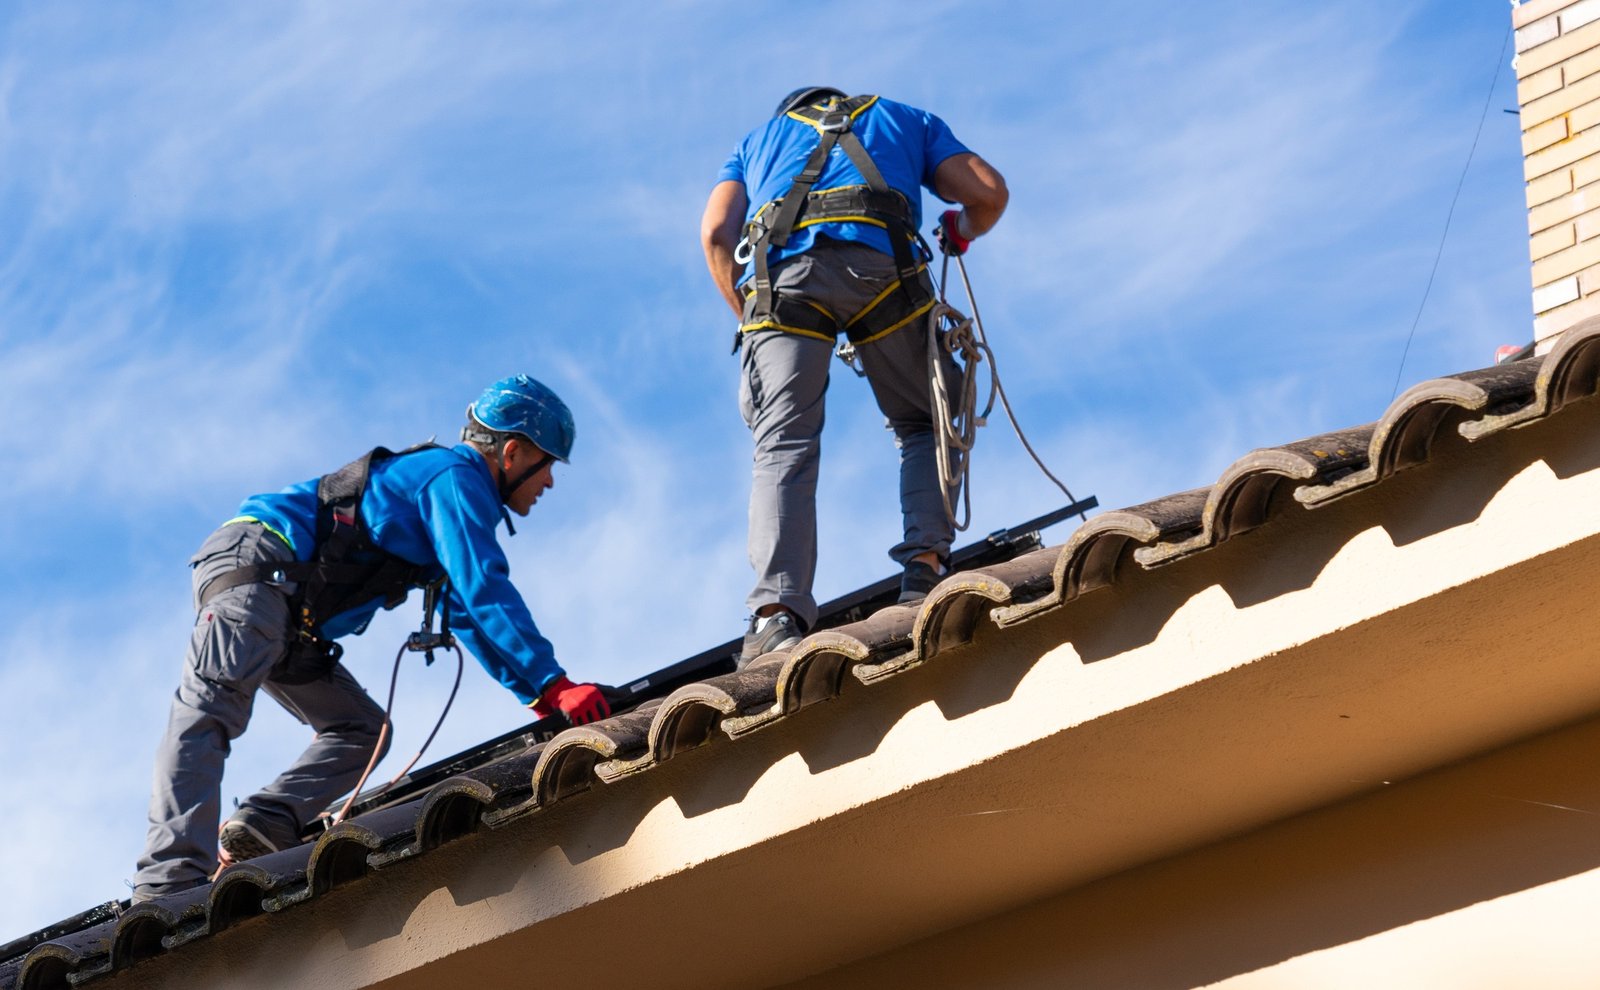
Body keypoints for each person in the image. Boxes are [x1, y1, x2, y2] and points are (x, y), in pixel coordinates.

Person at [132, 375, 610, 901]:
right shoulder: (454, 477)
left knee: (362, 731)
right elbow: (482, 584)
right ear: (514, 452)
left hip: (290, 612)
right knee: (208, 712)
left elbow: (466, 610)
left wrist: (538, 694)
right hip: (260, 572)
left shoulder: (446, 490)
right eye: (547, 466)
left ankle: (266, 822)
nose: (549, 484)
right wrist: (555, 681)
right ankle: (168, 884)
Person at [700, 87, 1009, 665]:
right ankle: (924, 570)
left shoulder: (754, 143)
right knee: (927, 420)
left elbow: (718, 232)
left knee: (783, 444)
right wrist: (962, 229)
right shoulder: (904, 119)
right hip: (883, 272)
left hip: (783, 286)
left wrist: (751, 316)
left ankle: (775, 617)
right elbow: (988, 193)